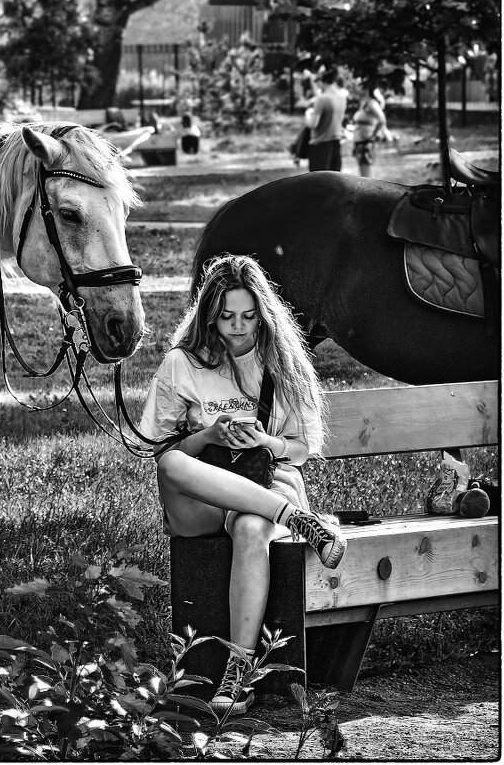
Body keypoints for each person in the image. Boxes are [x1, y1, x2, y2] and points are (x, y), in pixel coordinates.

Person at [139, 254, 347, 716]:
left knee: (252, 528)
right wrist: (210, 435)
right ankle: (296, 520)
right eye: (227, 317)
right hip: (203, 494)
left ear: (264, 315)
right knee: (171, 463)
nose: (238, 327)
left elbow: (303, 449)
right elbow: (159, 448)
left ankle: (238, 675)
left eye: (249, 317)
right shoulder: (183, 364)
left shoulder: (282, 364)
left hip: (268, 480)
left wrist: (266, 441)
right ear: (209, 315)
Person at [305, 67, 348, 172]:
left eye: (317, 81)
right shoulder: (342, 98)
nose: (317, 83)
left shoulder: (322, 99)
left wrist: (307, 115)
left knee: (318, 184)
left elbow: (313, 124)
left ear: (323, 81)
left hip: (320, 144)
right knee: (335, 183)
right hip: (336, 144)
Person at [351, 83, 394, 178]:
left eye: (359, 85)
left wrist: (373, 135)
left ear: (366, 89)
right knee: (364, 177)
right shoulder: (364, 103)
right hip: (360, 144)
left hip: (366, 144)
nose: (356, 87)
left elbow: (382, 119)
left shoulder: (371, 103)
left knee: (367, 179)